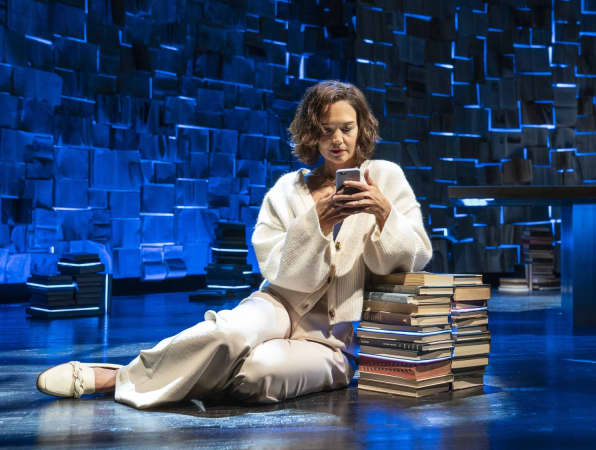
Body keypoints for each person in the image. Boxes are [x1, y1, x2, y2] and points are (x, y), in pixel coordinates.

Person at [35, 80, 433, 408]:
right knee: (226, 335)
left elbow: (412, 258)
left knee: (260, 374)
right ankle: (115, 377)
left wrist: (384, 214)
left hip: (332, 337)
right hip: (276, 304)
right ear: (311, 133)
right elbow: (278, 273)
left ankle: (179, 376)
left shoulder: (385, 177)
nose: (337, 139)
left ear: (362, 128)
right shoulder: (285, 191)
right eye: (326, 130)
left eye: (346, 127)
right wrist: (315, 224)